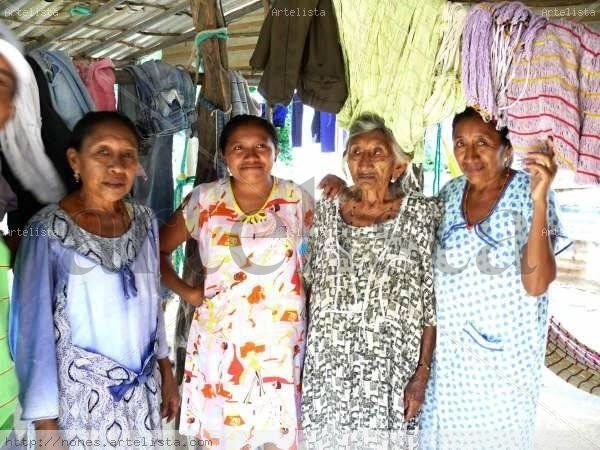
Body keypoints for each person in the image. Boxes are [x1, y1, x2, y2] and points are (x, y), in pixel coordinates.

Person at [9, 112, 179, 446]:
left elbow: (151, 306)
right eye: (103, 152)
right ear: (75, 160)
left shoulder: (144, 221)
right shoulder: (48, 232)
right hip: (78, 404)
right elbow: (31, 333)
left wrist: (166, 370)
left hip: (140, 395)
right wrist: (46, 424)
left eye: (127, 155)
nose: (116, 166)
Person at [418, 107, 570, 449]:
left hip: (502, 365)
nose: (469, 155)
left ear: (507, 149)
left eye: (482, 142)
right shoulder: (450, 193)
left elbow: (537, 284)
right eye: (460, 143)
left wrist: (540, 200)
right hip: (450, 360)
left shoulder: (530, 192)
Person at [159, 114, 313, 450]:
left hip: (281, 342)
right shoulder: (205, 200)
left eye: (261, 146)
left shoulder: (296, 199)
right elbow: (156, 252)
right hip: (222, 340)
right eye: (239, 148)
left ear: (275, 151)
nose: (251, 155)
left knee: (279, 434)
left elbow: (326, 255)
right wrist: (188, 293)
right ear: (225, 155)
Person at [302, 113, 439, 449]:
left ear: (398, 167)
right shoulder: (324, 211)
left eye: (377, 153)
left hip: (391, 371)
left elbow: (431, 302)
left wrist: (422, 374)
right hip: (327, 368)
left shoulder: (422, 214)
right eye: (355, 152)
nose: (364, 162)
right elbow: (303, 286)